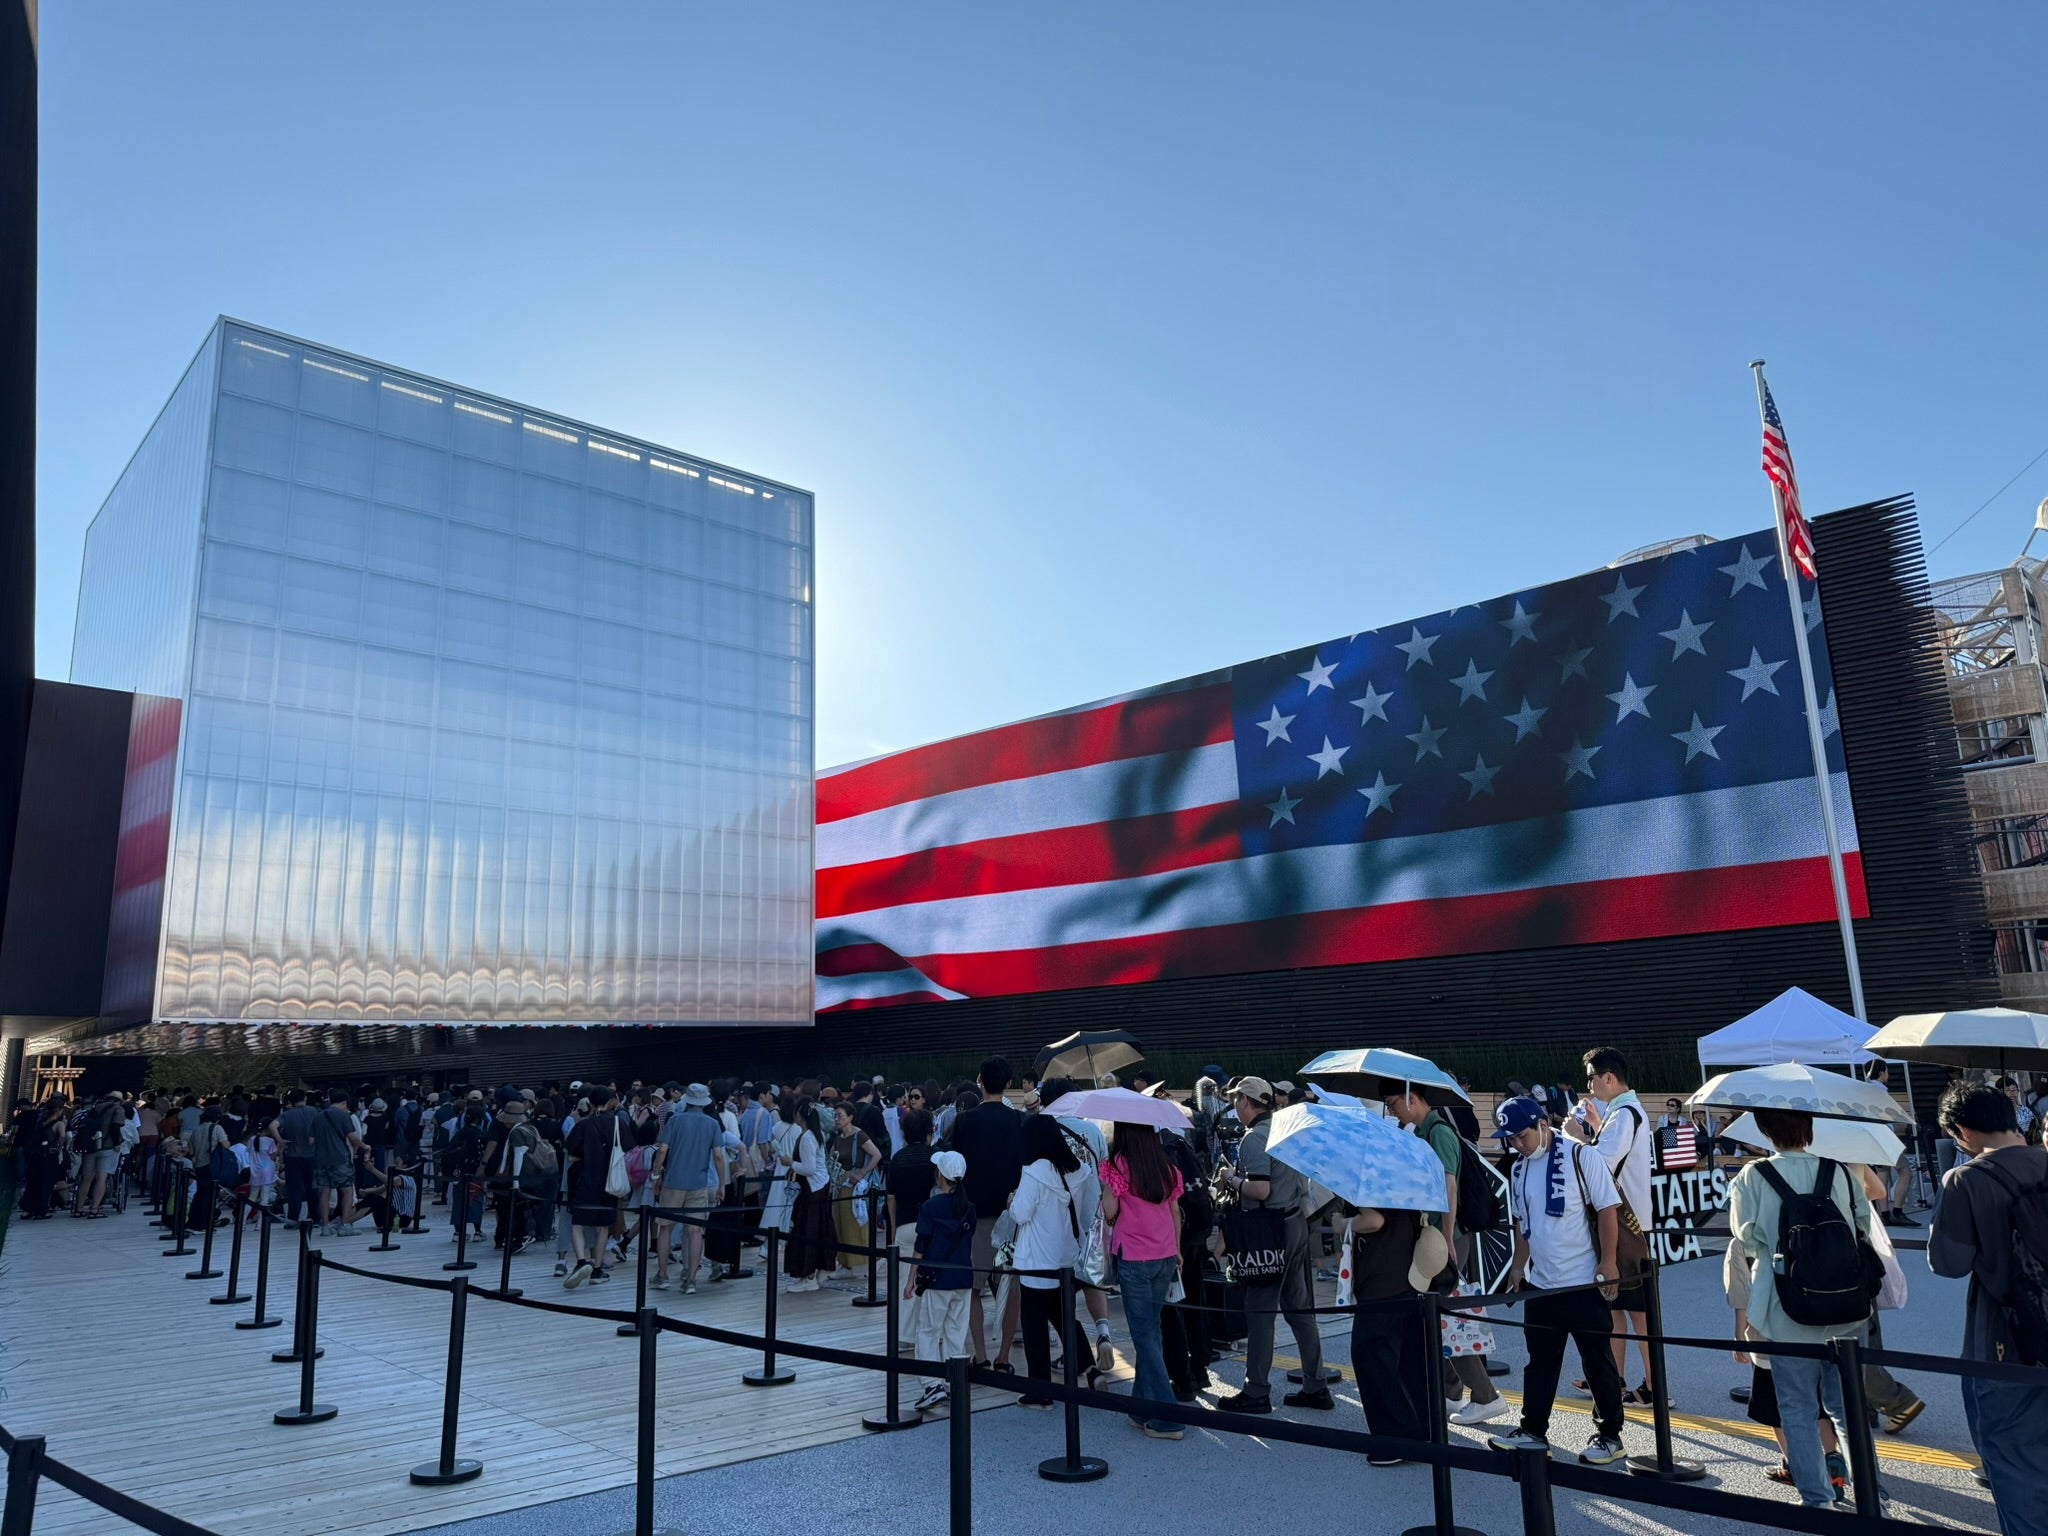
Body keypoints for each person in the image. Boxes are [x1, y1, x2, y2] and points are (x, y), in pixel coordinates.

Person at [1727, 1107, 1887, 1511]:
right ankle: (1872, 1496)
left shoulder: (1752, 1177)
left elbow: (1745, 1242)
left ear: (1764, 1130)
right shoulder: (1838, 1172)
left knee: (1797, 1407)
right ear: (1810, 1128)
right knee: (1846, 1406)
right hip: (1845, 1305)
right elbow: (1862, 1228)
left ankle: (1818, 1501)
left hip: (1785, 1307)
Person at [1929, 1081, 2048, 1536]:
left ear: (1962, 1131)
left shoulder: (1966, 1180)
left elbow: (1948, 1264)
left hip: (2005, 1339)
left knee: (2015, 1462)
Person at [1486, 1095, 1628, 1466]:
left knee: (1596, 1361)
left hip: (1582, 1282)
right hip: (1541, 1283)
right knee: (1540, 1362)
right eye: (1510, 1139)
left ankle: (1610, 1435)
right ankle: (1533, 1431)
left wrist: (1609, 1263)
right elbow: (1523, 1223)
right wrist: (1519, 1266)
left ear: (1542, 1126)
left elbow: (1608, 1210)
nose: (1516, 1144)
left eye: (1521, 1136)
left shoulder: (1582, 1156)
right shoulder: (1518, 1169)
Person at [1383, 1081, 1504, 1424]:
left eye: (1393, 1102)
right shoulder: (1425, 1132)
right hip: (1438, 1237)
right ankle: (1453, 1392)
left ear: (1412, 1098)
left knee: (1447, 1320)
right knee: (1440, 1317)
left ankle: (1484, 1395)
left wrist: (1448, 1237)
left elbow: (1449, 1185)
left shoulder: (1439, 1133)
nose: (1391, 1110)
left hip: (1444, 1238)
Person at [1213, 1076, 1330, 1414]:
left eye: (1237, 1101)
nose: (1235, 1107)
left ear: (1246, 1103)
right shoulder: (1285, 1129)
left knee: (1260, 1311)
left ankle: (1256, 1391)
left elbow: (1260, 1190)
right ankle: (1315, 1384)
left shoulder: (1254, 1138)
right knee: (1299, 1309)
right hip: (1294, 1222)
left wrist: (1231, 1179)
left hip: (1268, 1230)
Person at [1562, 1047, 1657, 1405]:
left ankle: (1653, 1385)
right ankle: (1614, 1378)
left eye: (1591, 1077)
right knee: (1615, 1307)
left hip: (1626, 1224)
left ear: (1608, 1078)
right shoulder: (1623, 1112)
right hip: (1626, 1220)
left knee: (1637, 1313)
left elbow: (1599, 1163)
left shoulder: (1625, 1113)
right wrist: (1595, 1127)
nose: (1588, 1084)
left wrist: (1575, 1135)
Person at [1009, 1112, 1101, 1407]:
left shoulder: (1034, 1170)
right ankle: (1089, 1367)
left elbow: (1021, 1214)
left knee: (1035, 1323)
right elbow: (1086, 1212)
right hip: (1066, 1256)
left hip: (1036, 1258)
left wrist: (1011, 1201)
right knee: (1064, 1317)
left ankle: (1041, 1389)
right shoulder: (1079, 1169)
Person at [1100, 1120, 1185, 1440]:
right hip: (1165, 1255)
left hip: (1134, 1257)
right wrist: (1177, 1249)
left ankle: (1168, 1416)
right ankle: (1141, 1407)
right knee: (1151, 1330)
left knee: (1144, 1335)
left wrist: (1108, 1185)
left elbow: (1110, 1211)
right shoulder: (1164, 1164)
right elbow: (1174, 1210)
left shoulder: (1117, 1164)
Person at [948, 1059, 1026, 1368]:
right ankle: (1004, 1355)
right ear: (1010, 1084)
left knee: (973, 1288)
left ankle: (980, 1355)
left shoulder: (965, 1121)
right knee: (1011, 1288)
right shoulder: (1021, 1121)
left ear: (979, 1080)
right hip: (1012, 1215)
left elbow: (953, 1167)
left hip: (975, 1216)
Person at [907, 1149, 977, 1415]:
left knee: (928, 1331)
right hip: (963, 1277)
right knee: (955, 1333)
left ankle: (931, 1384)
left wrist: (911, 1279)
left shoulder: (930, 1207)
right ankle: (954, 1382)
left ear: (941, 1176)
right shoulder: (969, 1208)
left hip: (937, 1280)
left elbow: (920, 1247)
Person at [651, 1084, 726, 1294]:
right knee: (695, 1231)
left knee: (665, 1228)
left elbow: (662, 1150)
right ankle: (691, 1279)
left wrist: (656, 1175)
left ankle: (663, 1275)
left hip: (674, 1181)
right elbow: (719, 1156)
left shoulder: (676, 1120)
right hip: (699, 1183)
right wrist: (721, 1184)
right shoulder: (712, 1124)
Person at [562, 1085, 627, 1289]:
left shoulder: (582, 1125)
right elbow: (629, 1149)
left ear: (589, 1103)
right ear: (610, 1102)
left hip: (584, 1178)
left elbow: (571, 1155)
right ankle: (597, 1269)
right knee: (603, 1227)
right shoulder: (618, 1123)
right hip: (609, 1180)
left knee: (577, 1224)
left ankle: (581, 1261)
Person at [778, 1095, 834, 1293]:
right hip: (818, 1186)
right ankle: (814, 1271)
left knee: (807, 1230)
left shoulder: (808, 1137)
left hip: (812, 1188)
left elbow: (809, 1168)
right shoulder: (813, 1135)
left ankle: (808, 1274)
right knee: (816, 1229)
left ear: (800, 1114)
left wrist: (789, 1163)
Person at [828, 1100, 884, 1274]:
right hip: (839, 1183)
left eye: (840, 1116)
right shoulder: (838, 1138)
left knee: (854, 1222)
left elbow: (876, 1155)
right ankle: (845, 1261)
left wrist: (862, 1173)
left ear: (850, 1117)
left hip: (853, 1183)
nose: (837, 1119)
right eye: (835, 1115)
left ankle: (860, 1261)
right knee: (840, 1223)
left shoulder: (859, 1135)